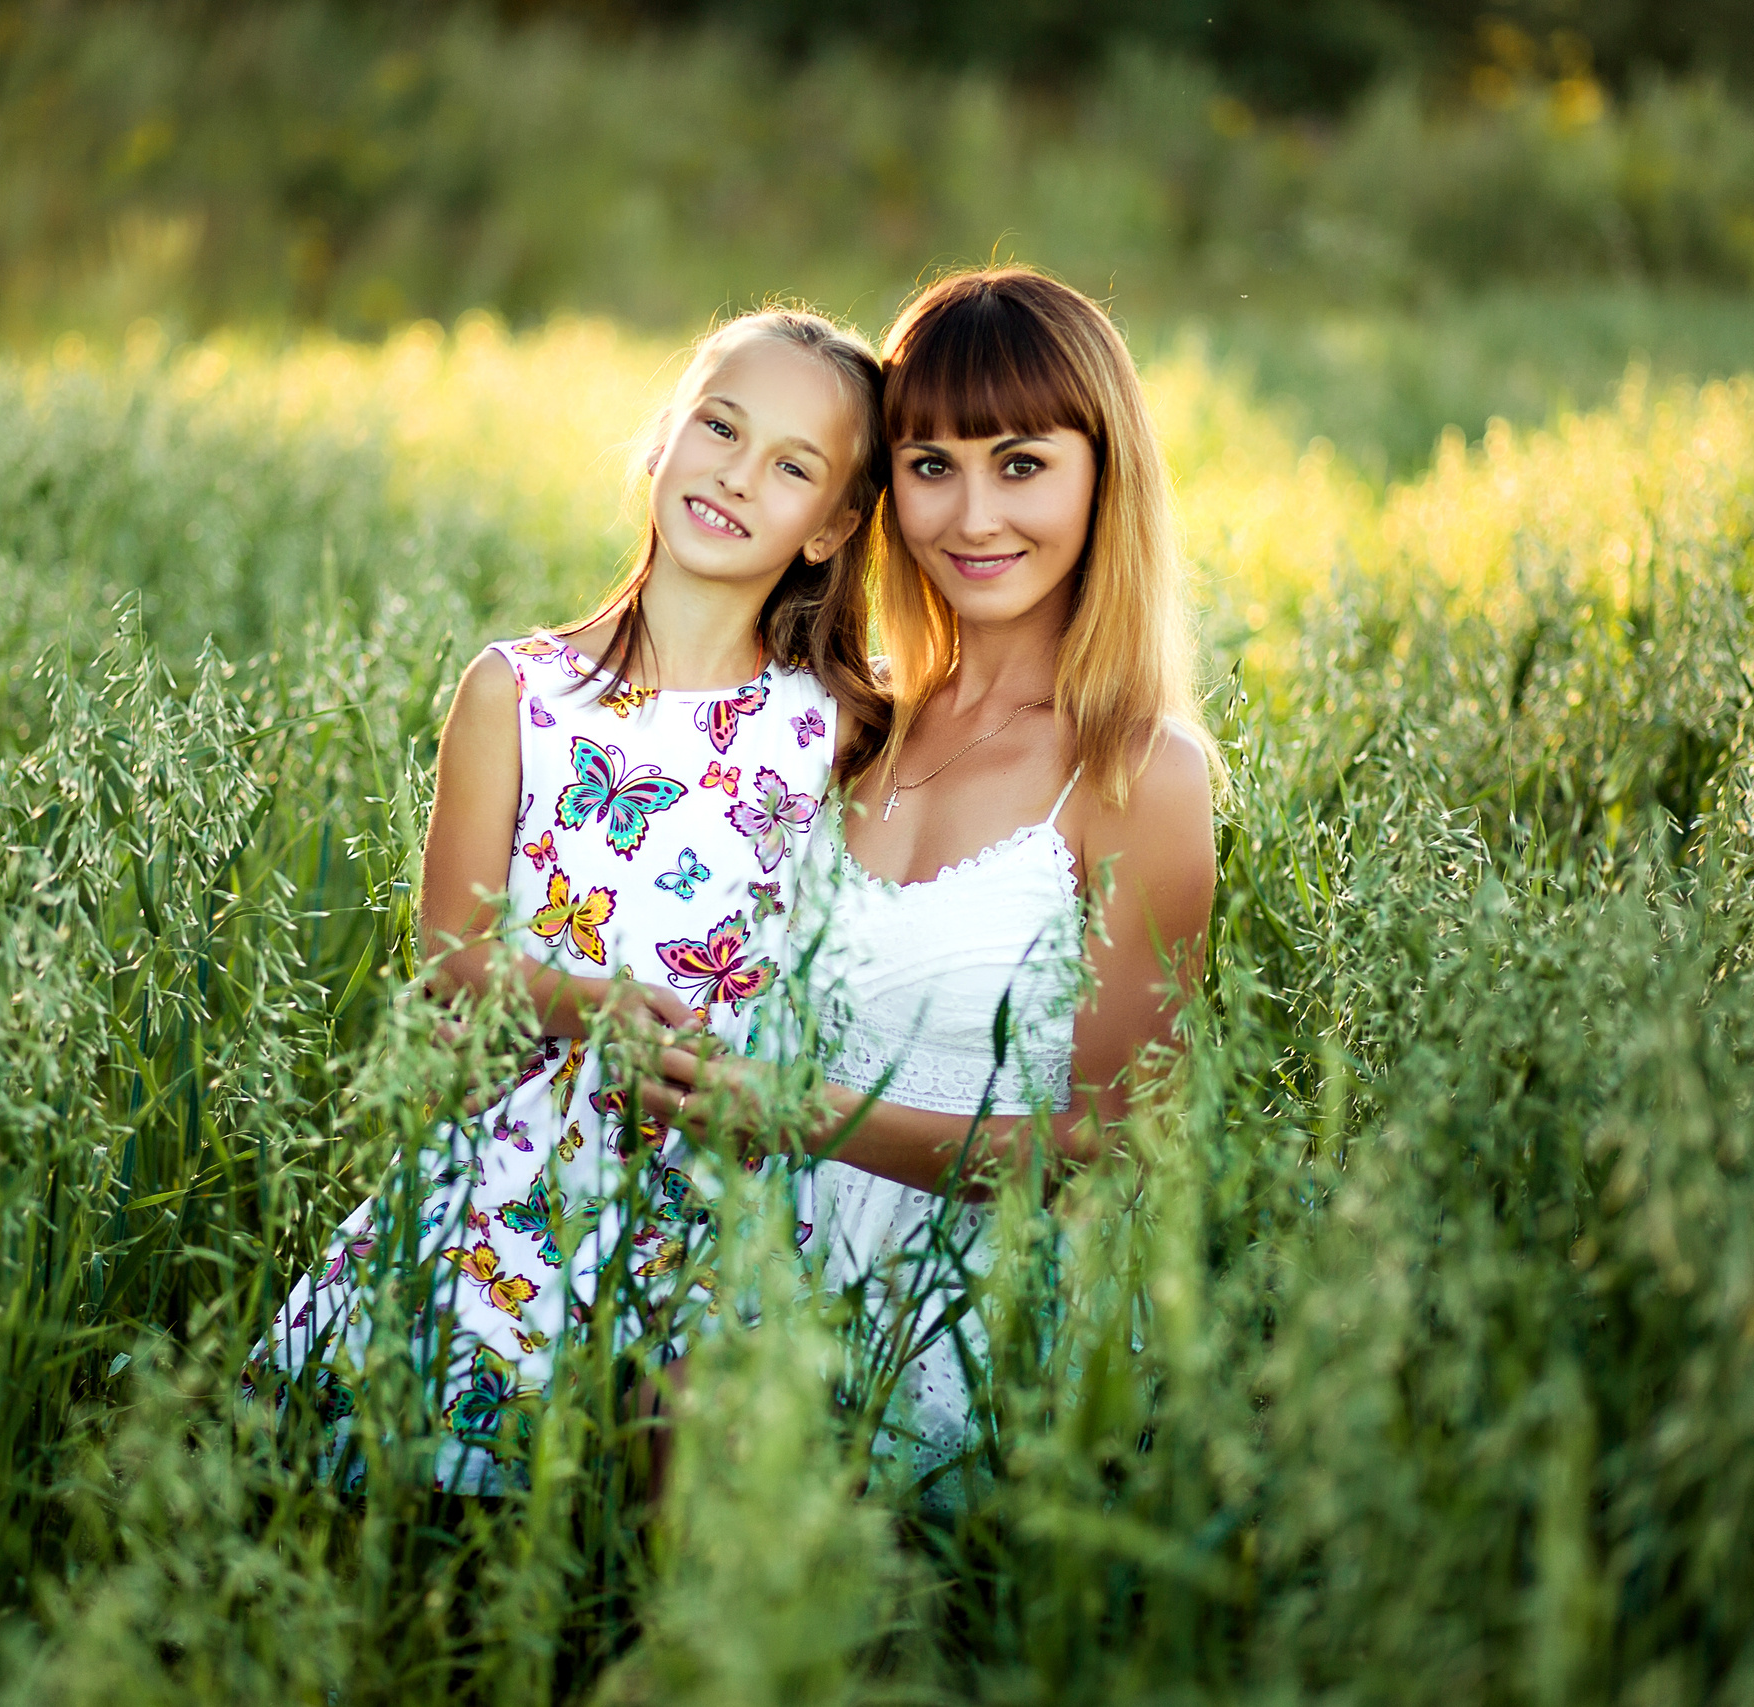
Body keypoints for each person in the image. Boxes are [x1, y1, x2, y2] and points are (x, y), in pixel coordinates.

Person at [249, 308, 887, 1493]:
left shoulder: (838, 725)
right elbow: (451, 949)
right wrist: (579, 995)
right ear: (665, 437)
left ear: (831, 527)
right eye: (719, 428)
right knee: (430, 1489)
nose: (737, 477)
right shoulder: (519, 691)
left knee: (680, 1499)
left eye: (791, 467)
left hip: (734, 1164)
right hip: (535, 1146)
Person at [652, 267, 1218, 1504]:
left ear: (1101, 474)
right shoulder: (847, 725)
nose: (971, 515)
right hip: (765, 1312)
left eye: (1021, 464)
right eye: (928, 465)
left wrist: (804, 1115)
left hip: (979, 1345)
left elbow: (1106, 1144)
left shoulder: (1136, 772)